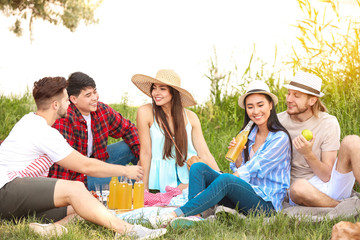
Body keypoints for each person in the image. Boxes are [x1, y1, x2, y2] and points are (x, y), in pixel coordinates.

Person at [0, 77, 166, 239]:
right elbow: (85, 166)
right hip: (6, 189)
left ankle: (52, 228)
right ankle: (129, 231)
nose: (68, 105)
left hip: (18, 199)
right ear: (55, 105)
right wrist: (125, 170)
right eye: (66, 100)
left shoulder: (29, 120)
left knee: (88, 206)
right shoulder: (43, 132)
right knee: (77, 189)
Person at [148, 80, 292, 228]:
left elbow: (251, 169)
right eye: (250, 107)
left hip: (265, 205)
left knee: (226, 180)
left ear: (270, 105)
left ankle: (174, 214)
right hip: (244, 195)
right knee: (198, 168)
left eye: (260, 105)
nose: (255, 111)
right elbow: (239, 168)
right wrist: (239, 156)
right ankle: (195, 217)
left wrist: (223, 181)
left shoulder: (280, 138)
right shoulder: (248, 134)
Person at [278, 70, 359, 207]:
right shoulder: (278, 121)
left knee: (352, 141)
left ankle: (336, 205)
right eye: (289, 93)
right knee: (298, 188)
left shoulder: (328, 123)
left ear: (312, 100)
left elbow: (327, 176)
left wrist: (308, 154)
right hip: (301, 190)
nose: (289, 99)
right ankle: (341, 207)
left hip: (330, 184)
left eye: (296, 95)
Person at [131, 69, 220, 193]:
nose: (156, 93)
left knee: (207, 190)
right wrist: (143, 188)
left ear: (174, 92)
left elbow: (204, 153)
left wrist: (220, 177)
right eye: (154, 88)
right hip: (162, 180)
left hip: (189, 175)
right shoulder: (145, 112)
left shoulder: (191, 117)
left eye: (162, 89)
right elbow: (146, 152)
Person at [48, 72, 139, 191]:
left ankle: (150, 176)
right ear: (73, 99)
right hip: (78, 177)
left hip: (98, 162)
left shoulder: (101, 110)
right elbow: (62, 167)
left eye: (95, 92)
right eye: (88, 95)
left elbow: (129, 129)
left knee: (131, 145)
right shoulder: (65, 120)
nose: (95, 97)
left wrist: (142, 160)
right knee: (126, 181)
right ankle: (145, 181)